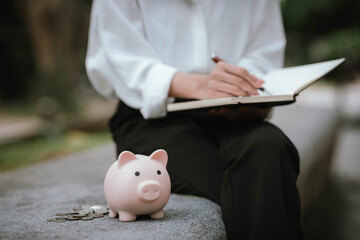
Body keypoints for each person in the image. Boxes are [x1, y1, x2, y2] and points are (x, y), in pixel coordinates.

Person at [86, 0, 302, 239]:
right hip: (153, 115)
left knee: (271, 146)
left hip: (232, 111)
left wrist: (249, 90)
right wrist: (199, 84)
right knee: (257, 185)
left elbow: (263, 53)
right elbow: (120, 58)